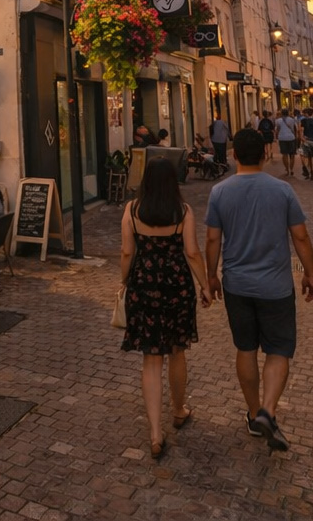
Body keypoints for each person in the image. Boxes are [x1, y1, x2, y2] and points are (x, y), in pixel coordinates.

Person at [204, 127, 313, 453]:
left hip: (237, 284)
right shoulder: (282, 191)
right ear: (265, 154)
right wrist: (309, 273)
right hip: (276, 287)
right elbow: (300, 236)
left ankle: (254, 414)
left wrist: (211, 277)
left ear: (234, 155)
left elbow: (212, 239)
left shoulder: (220, 193)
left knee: (246, 348)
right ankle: (269, 408)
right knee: (278, 350)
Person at [120, 159, 210, 460]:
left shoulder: (132, 210)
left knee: (151, 359)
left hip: (144, 286)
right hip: (176, 287)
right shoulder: (182, 211)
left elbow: (126, 252)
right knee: (177, 350)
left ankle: (156, 433)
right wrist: (206, 284)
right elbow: (192, 252)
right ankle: (178, 409)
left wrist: (124, 282)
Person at [274, 109, 299, 178]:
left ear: (282, 113)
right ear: (288, 113)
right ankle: (291, 169)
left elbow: (277, 130)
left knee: (284, 154)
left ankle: (287, 170)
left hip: (282, 138)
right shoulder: (292, 120)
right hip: (291, 137)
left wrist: (276, 137)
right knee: (292, 155)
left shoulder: (278, 121)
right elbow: (296, 129)